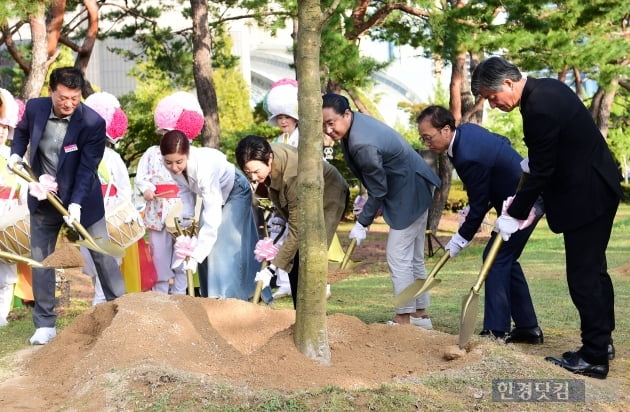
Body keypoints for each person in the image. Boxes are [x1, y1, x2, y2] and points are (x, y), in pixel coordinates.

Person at [471, 56, 623, 379]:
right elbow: (549, 154)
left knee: (583, 278)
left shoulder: (538, 107)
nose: (494, 105)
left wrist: (514, 214)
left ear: (508, 84)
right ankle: (603, 340)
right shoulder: (546, 90)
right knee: (595, 272)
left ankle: (594, 356)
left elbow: (542, 173)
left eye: (492, 97)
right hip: (598, 187)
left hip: (587, 196)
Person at [8, 67, 126, 345]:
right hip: (44, 197)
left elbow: (87, 169)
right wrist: (15, 154)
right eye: (63, 97)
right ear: (51, 92)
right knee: (42, 259)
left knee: (102, 255)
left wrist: (75, 204)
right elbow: (23, 131)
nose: (69, 103)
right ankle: (45, 324)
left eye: (75, 98)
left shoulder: (92, 123)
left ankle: (122, 312)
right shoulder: (36, 109)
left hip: (83, 199)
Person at [416, 105, 544, 342]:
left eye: (428, 137)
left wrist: (459, 239)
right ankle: (528, 328)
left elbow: (478, 206)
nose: (426, 143)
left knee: (495, 259)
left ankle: (496, 331)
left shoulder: (468, 155)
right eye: (422, 138)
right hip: (514, 201)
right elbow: (500, 142)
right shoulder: (465, 134)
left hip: (525, 204)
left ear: (445, 130)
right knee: (505, 259)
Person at [322, 93, 441, 328]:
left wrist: (362, 223)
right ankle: (420, 315)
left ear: (346, 114)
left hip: (409, 193)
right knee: (413, 257)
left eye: (330, 122)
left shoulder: (362, 142)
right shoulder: (355, 125)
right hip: (415, 185)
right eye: (323, 125)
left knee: (398, 256)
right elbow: (377, 179)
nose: (327, 130)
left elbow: (378, 189)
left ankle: (404, 318)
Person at [234, 135, 349, 309]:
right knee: (295, 259)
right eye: (248, 172)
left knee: (310, 253)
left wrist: (272, 269)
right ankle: (300, 314)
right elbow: (281, 199)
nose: (253, 178)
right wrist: (279, 220)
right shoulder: (262, 152)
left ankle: (312, 319)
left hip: (328, 193)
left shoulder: (293, 176)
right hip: (300, 196)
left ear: (269, 158)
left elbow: (297, 230)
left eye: (257, 172)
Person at [159, 130, 259, 300]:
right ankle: (209, 297)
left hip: (236, 190)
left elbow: (212, 216)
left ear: (187, 154)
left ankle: (229, 299)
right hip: (216, 196)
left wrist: (197, 254)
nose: (174, 168)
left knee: (221, 244)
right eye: (168, 162)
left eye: (179, 162)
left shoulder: (204, 169)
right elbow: (185, 191)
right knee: (201, 240)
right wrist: (187, 222)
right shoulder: (172, 166)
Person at [82, 91, 136, 304]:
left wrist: (120, 215)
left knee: (108, 260)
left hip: (110, 215)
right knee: (91, 261)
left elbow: (124, 189)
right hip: (86, 215)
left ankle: (100, 303)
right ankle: (102, 297)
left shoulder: (114, 158)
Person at [0, 88, 27, 326]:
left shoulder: (14, 157)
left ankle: (2, 315)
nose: (0, 131)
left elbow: (25, 190)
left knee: (7, 270)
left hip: (8, 216)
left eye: (3, 127)